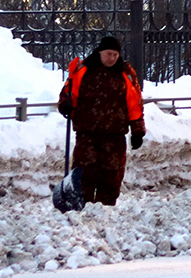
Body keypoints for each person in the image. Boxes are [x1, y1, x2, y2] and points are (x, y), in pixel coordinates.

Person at [57, 35, 145, 206]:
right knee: (84, 172)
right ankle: (81, 206)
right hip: (87, 133)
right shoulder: (83, 70)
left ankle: (106, 209)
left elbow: (134, 103)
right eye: (108, 54)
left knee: (112, 175)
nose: (111, 58)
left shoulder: (125, 74)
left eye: (115, 54)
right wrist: (66, 105)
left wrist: (138, 130)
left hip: (115, 135)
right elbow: (68, 92)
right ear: (99, 52)